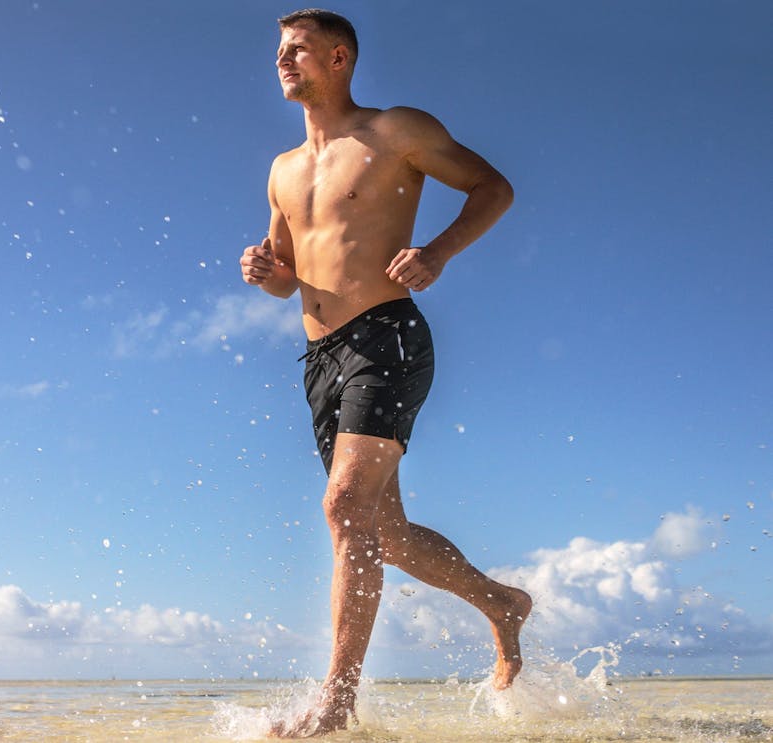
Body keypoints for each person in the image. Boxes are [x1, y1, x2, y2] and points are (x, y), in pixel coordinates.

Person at [239, 9, 532, 737]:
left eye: (297, 50)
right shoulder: (281, 170)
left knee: (343, 509)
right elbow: (288, 276)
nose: (283, 60)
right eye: (279, 50)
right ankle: (501, 602)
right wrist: (265, 272)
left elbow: (493, 187)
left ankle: (336, 702)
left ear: (338, 59)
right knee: (385, 533)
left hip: (387, 337)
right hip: (320, 356)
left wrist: (437, 252)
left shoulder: (395, 130)